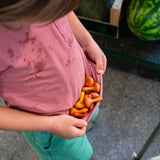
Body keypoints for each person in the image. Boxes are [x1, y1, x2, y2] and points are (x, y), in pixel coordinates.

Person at [0, 0, 107, 159]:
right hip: (49, 126)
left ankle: (85, 124)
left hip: (81, 85)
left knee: (89, 116)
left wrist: (86, 41)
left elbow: (60, 9)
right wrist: (50, 125)